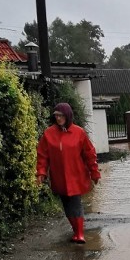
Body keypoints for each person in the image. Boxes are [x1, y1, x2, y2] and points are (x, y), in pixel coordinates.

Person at [36, 102, 100, 244]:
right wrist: (41, 172)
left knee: (75, 203)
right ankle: (75, 231)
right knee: (66, 204)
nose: (58, 118)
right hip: (59, 176)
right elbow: (42, 155)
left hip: (76, 175)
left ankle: (80, 233)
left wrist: (94, 172)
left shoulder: (79, 132)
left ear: (68, 116)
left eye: (61, 115)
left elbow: (89, 154)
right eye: (56, 115)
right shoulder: (49, 134)